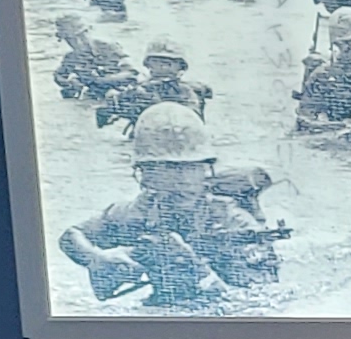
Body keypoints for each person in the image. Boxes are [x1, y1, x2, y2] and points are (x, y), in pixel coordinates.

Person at [57, 101, 281, 306]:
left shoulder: (234, 222)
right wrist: (97, 259)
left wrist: (193, 267)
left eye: (189, 168)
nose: (180, 180)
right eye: (167, 169)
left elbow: (258, 303)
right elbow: (71, 236)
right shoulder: (140, 211)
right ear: (145, 175)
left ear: (205, 171)